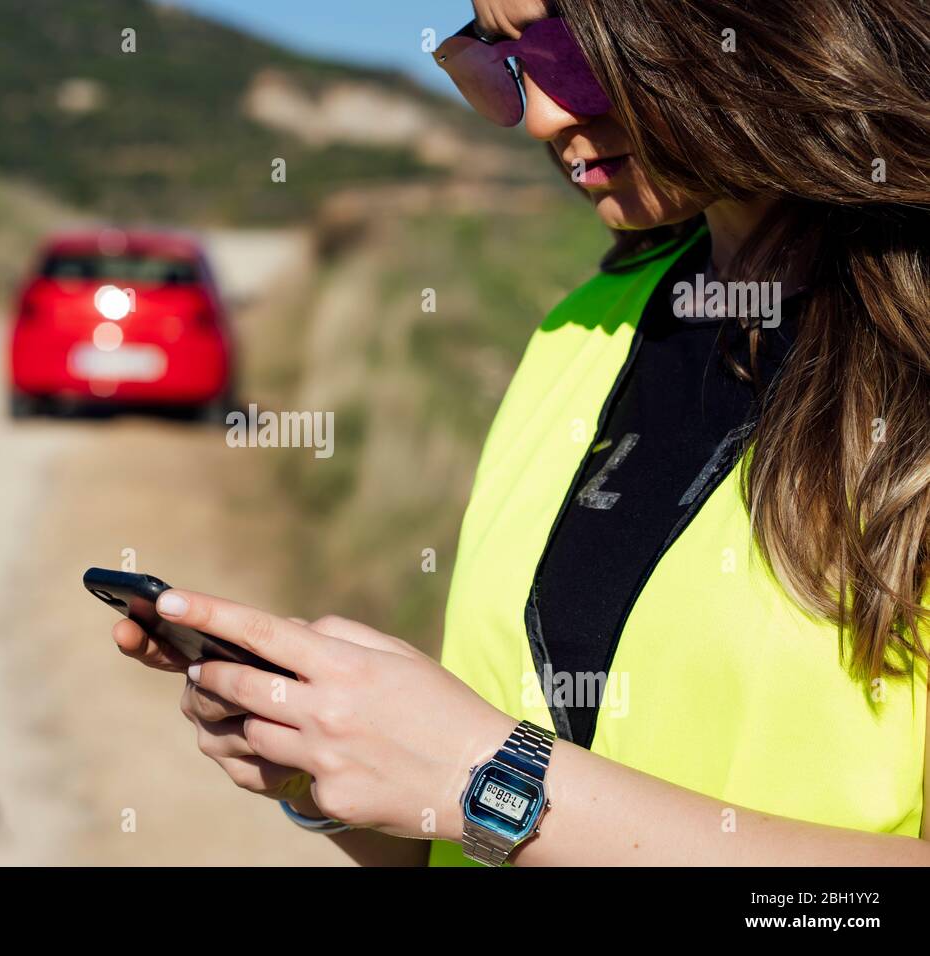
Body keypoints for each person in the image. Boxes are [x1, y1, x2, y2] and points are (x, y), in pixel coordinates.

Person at [112, 0, 930, 865]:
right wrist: (338, 772)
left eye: (573, 50)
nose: (542, 113)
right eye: (504, 63)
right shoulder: (583, 330)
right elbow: (488, 833)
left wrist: (491, 777)